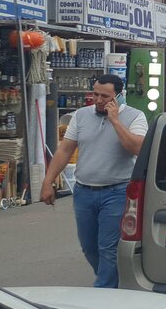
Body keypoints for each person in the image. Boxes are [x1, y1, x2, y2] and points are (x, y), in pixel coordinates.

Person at [40, 75, 148, 288]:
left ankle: (104, 291)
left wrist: (115, 120)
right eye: (95, 94)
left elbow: (136, 148)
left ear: (118, 96)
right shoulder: (81, 116)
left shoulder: (136, 117)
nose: (98, 100)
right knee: (89, 247)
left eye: (105, 96)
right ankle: (113, 283)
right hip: (84, 192)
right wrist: (48, 181)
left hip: (117, 192)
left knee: (107, 247)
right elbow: (64, 150)